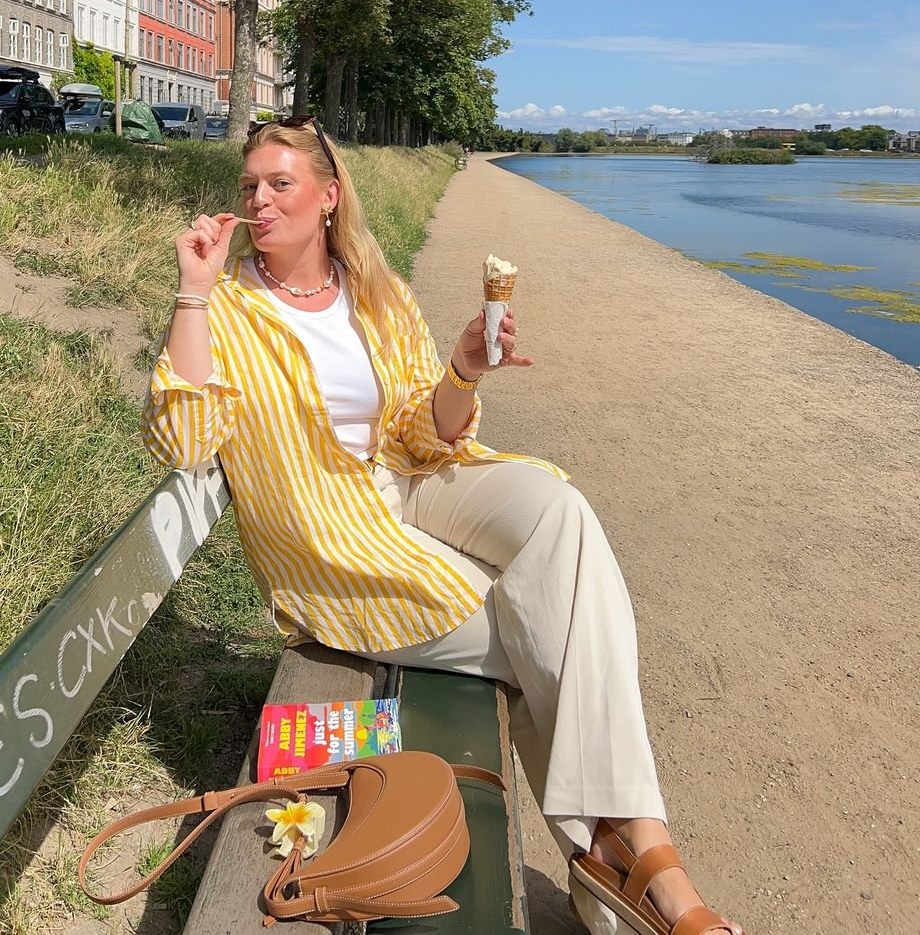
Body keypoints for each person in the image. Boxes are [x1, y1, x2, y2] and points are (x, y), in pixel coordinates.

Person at [141, 117, 742, 935]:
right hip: (335, 540)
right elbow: (184, 443)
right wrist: (194, 291)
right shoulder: (232, 305)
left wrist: (464, 368)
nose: (259, 199)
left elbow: (429, 429)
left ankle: (616, 859)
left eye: (281, 183)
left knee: (558, 515)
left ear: (328, 197)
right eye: (250, 184)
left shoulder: (373, 290)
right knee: (541, 623)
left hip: (410, 480)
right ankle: (643, 867)